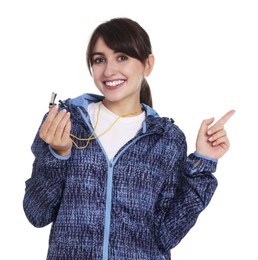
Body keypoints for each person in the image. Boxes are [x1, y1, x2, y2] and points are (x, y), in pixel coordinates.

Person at [23, 17, 235, 260]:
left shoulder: (167, 139)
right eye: (99, 60)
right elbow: (36, 214)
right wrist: (58, 155)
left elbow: (168, 234)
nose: (109, 70)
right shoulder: (64, 122)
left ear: (148, 64)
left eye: (122, 57)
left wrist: (202, 162)